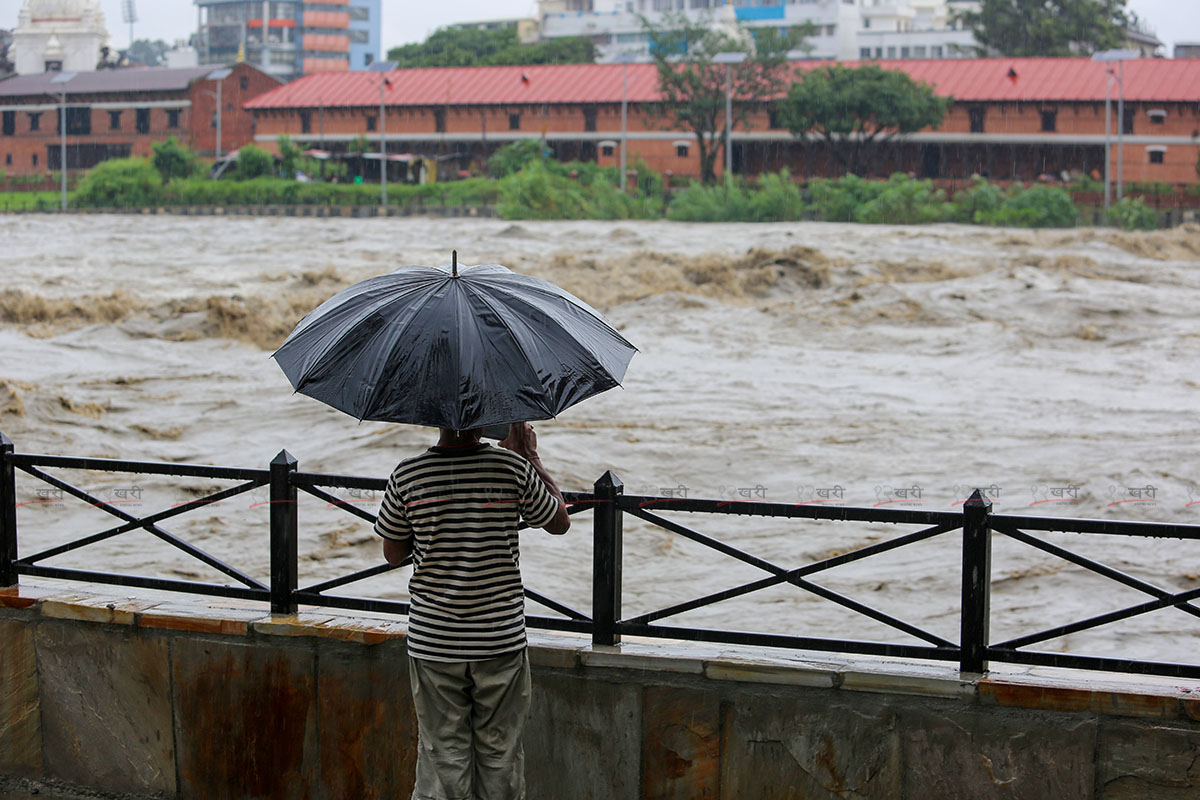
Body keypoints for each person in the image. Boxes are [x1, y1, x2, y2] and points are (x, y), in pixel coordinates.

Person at [375, 422, 571, 800]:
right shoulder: (510, 468)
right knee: (501, 753)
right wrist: (530, 456)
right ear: (485, 416)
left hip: (435, 640)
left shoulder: (408, 473)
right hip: (499, 638)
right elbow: (559, 522)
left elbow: (393, 553)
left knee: (442, 755)